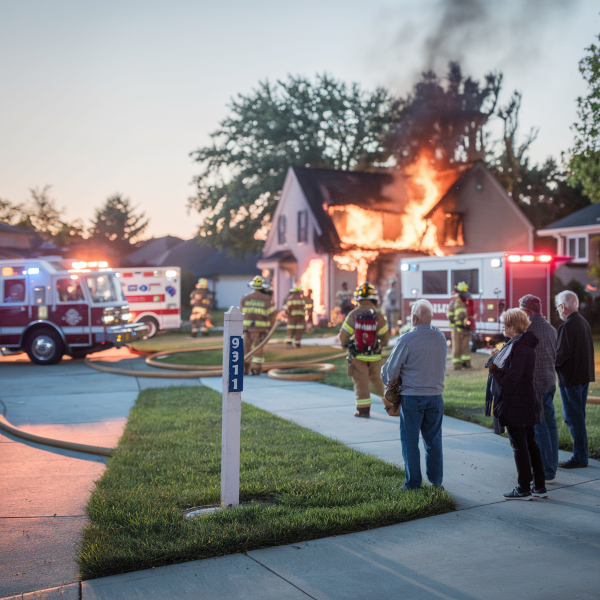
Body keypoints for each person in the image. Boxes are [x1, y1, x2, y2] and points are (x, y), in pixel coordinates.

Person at [381, 299, 446, 489]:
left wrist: (387, 379)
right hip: (436, 397)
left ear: (414, 318)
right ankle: (436, 482)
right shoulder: (440, 337)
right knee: (433, 441)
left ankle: (413, 484)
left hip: (412, 398)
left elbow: (391, 372)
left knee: (410, 442)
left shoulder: (407, 339)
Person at [488, 308, 545, 500]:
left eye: (505, 324)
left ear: (513, 326)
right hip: (526, 400)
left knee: (520, 446)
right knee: (530, 443)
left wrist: (494, 371)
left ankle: (523, 487)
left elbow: (511, 381)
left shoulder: (519, 348)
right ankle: (539, 485)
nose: (503, 327)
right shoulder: (521, 344)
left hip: (516, 403)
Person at [519, 294, 559, 484]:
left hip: (535, 386)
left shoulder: (528, 331)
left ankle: (546, 471)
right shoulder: (552, 329)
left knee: (540, 429)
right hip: (550, 382)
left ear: (527, 311)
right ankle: (552, 467)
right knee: (551, 426)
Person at [554, 290, 595, 469]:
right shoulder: (583, 322)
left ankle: (579, 457)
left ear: (562, 306)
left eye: (558, 307)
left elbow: (560, 356)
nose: (558, 311)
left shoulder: (567, 326)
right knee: (579, 416)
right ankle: (582, 454)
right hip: (583, 376)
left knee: (573, 417)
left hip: (571, 378)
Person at [340, 282, 389, 418]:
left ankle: (363, 411)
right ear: (374, 298)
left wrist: (345, 344)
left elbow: (343, 335)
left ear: (358, 298)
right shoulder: (379, 315)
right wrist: (381, 344)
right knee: (378, 382)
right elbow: (385, 337)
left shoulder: (353, 314)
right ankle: (390, 404)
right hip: (375, 357)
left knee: (361, 383)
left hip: (357, 356)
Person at [239, 276, 275, 375]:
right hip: (260, 330)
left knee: (245, 348)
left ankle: (244, 369)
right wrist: (269, 328)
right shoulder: (267, 299)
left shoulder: (244, 298)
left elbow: (241, 313)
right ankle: (255, 369)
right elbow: (271, 316)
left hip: (246, 329)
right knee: (257, 348)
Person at [447, 282, 472, 369]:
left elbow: (470, 314)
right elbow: (450, 314)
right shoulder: (453, 303)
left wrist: (469, 325)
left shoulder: (468, 302)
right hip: (456, 329)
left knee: (465, 347)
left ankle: (466, 362)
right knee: (457, 347)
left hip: (466, 329)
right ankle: (457, 364)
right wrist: (454, 322)